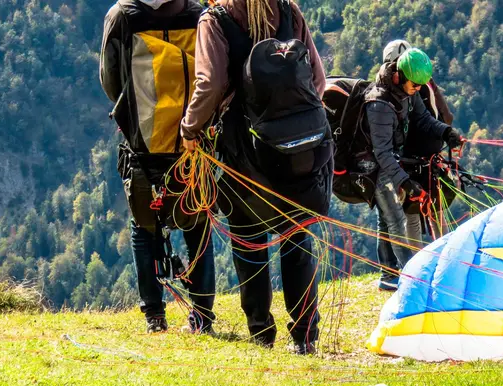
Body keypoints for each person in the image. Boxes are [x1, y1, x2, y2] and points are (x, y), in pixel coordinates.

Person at [180, 0, 330, 354]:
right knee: (296, 239)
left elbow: (210, 83)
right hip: (300, 151)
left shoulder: (216, 20)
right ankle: (305, 335)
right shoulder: (288, 11)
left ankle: (261, 333)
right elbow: (318, 82)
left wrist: (190, 129)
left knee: (249, 240)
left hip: (242, 150)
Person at [100, 0, 216, 334]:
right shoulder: (197, 14)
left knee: (143, 225)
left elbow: (110, 81)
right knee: (198, 221)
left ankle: (154, 315)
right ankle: (203, 315)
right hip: (192, 140)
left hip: (144, 139)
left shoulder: (123, 16)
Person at [364, 48, 464, 291]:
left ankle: (389, 276)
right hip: (375, 165)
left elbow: (422, 119)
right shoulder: (379, 103)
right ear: (398, 76)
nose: (418, 89)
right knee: (396, 220)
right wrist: (405, 183)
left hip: (393, 160)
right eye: (415, 84)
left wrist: (445, 132)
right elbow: (382, 153)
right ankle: (414, 281)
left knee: (386, 220)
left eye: (421, 85)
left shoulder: (407, 92)